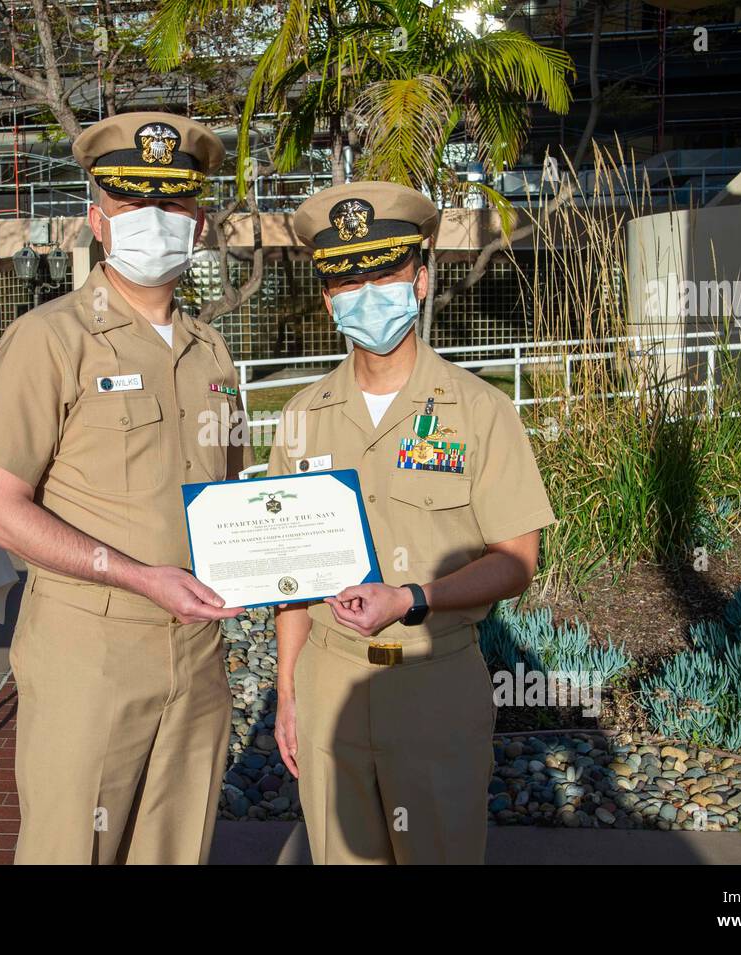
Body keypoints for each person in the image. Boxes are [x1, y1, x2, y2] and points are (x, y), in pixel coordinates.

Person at [0, 112, 250, 864]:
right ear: (98, 220)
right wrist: (132, 573)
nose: (154, 223)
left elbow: (233, 492)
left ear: (198, 224)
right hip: (89, 650)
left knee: (174, 849)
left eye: (175, 206)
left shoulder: (210, 347)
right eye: (132, 207)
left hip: (197, 651)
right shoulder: (49, 338)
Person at [269, 181, 557, 864]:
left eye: (386, 271)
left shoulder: (480, 411)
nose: (367, 290)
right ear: (329, 297)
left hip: (433, 682)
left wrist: (415, 598)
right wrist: (287, 691)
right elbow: (289, 575)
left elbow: (517, 557)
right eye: (346, 277)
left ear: (421, 279)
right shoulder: (300, 417)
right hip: (329, 682)